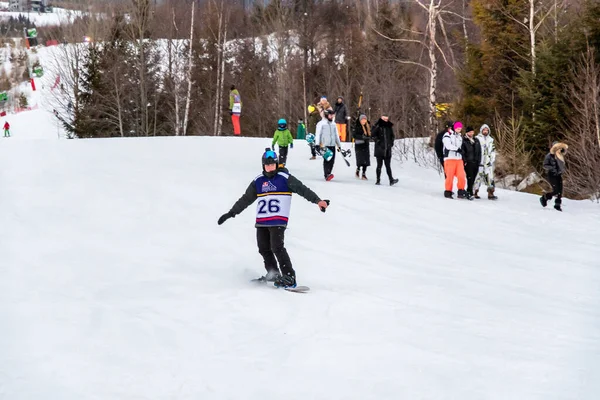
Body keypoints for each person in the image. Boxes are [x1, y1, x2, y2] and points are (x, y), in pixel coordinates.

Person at [217, 149, 329, 288]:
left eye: (272, 164)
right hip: (262, 221)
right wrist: (231, 213)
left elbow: (303, 189)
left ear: (276, 164)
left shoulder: (284, 178)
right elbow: (246, 199)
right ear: (263, 165)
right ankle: (273, 273)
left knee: (277, 247)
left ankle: (289, 276)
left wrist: (318, 201)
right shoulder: (258, 181)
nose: (270, 167)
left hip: (278, 220)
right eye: (267, 165)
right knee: (263, 248)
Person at [442, 121, 470, 199]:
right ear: (454, 128)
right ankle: (448, 191)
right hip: (450, 158)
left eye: (460, 129)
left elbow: (461, 148)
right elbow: (448, 146)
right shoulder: (447, 135)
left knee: (461, 175)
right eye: (457, 128)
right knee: (449, 176)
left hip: (458, 159)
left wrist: (463, 156)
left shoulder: (459, 137)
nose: (459, 130)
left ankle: (461, 190)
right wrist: (457, 149)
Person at [371, 112, 399, 186]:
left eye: (386, 119)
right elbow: (372, 135)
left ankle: (391, 180)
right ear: (381, 118)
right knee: (379, 165)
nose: (385, 120)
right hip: (379, 149)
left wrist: (391, 143)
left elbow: (392, 136)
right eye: (384, 119)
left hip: (387, 149)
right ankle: (378, 180)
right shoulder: (377, 125)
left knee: (388, 166)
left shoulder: (389, 126)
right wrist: (378, 141)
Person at [540, 142, 568, 211]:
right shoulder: (549, 156)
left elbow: (563, 166)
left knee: (560, 191)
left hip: (558, 175)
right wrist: (552, 168)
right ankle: (544, 198)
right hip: (551, 174)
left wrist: (562, 170)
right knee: (555, 190)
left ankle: (557, 206)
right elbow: (545, 165)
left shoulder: (560, 156)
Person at [474, 124, 497, 200]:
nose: (485, 131)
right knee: (477, 178)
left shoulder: (491, 140)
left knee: (490, 178)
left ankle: (491, 193)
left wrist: (491, 159)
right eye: (484, 130)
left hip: (488, 163)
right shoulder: (477, 138)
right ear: (481, 130)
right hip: (479, 162)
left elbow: (493, 151)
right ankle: (475, 192)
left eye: (487, 130)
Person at [317, 109, 341, 181]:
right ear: (327, 115)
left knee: (332, 160)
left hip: (332, 144)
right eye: (330, 115)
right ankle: (326, 174)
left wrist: (339, 145)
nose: (332, 116)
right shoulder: (321, 124)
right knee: (327, 159)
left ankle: (329, 173)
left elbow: (336, 135)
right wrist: (317, 144)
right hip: (325, 145)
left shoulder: (333, 124)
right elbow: (318, 134)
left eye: (333, 115)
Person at [461, 126, 481, 197]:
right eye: (470, 132)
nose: (471, 133)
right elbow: (462, 152)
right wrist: (464, 160)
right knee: (470, 177)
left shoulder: (476, 140)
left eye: (472, 132)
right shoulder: (464, 140)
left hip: (475, 162)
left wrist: (478, 161)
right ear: (467, 132)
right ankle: (469, 191)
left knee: (474, 177)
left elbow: (479, 152)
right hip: (468, 162)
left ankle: (469, 189)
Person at [353, 114, 371, 180]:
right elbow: (354, 135)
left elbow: (370, 134)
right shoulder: (357, 126)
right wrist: (362, 137)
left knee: (366, 160)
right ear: (360, 120)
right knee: (360, 160)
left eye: (365, 120)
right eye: (362, 120)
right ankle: (358, 169)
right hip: (359, 145)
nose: (364, 121)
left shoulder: (368, 126)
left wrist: (369, 137)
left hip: (366, 145)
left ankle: (364, 173)